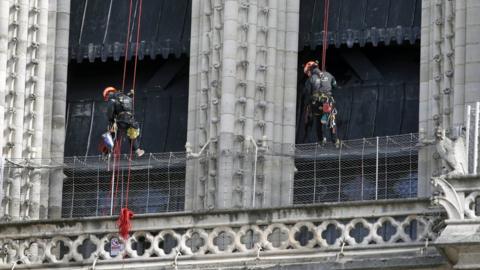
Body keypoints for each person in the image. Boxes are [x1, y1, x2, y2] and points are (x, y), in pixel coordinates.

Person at [303, 60, 340, 147]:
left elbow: (308, 94)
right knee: (332, 121)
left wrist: (307, 109)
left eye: (308, 72)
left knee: (318, 122)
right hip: (328, 101)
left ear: (310, 70)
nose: (308, 74)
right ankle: (335, 141)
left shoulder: (310, 79)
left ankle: (321, 140)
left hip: (317, 104)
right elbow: (335, 85)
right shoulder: (329, 75)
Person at [103, 86, 145, 157]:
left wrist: (111, 121)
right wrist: (130, 94)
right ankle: (137, 150)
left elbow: (110, 113)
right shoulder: (127, 98)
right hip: (131, 122)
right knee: (132, 135)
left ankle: (107, 153)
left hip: (120, 121)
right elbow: (126, 104)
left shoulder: (113, 100)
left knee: (111, 134)